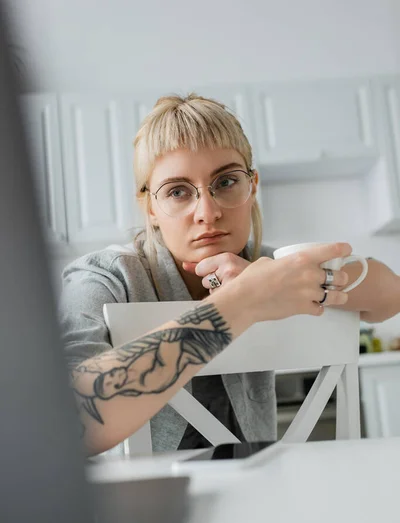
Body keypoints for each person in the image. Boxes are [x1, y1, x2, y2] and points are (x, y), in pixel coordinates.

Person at [60, 94, 400, 456]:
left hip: (260, 489)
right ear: (150, 206)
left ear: (252, 186)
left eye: (225, 182)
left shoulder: (265, 267)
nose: (207, 212)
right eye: (177, 191)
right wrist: (243, 302)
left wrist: (267, 282)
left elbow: (390, 295)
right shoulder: (101, 278)